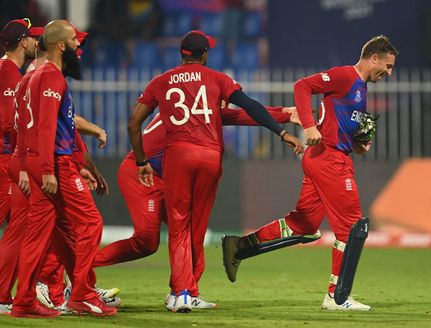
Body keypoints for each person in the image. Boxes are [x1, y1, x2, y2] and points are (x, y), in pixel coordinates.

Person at [128, 29, 304, 313]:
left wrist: (140, 160)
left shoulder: (160, 82)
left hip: (179, 156)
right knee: (196, 225)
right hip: (211, 157)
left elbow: (134, 123)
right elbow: (250, 107)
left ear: (181, 55)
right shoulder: (218, 80)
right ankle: (187, 290)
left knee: (178, 224)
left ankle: (182, 292)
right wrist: (282, 133)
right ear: (205, 55)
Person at [222, 35, 398, 311]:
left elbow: (338, 126)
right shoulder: (344, 76)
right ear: (373, 58)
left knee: (303, 224)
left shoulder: (361, 89)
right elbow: (302, 86)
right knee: (352, 227)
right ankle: (337, 297)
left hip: (324, 157)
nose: (388, 73)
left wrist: (358, 144)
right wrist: (308, 125)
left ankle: (239, 247)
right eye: (387, 66)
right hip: (329, 160)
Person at [93, 105, 299, 311]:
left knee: (191, 230)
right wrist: (287, 115)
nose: (226, 106)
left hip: (163, 179)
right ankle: (81, 265)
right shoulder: (193, 112)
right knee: (147, 242)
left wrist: (284, 111)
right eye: (224, 101)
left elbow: (244, 110)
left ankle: (185, 292)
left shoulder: (192, 107)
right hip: (142, 175)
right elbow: (244, 114)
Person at [10, 20, 116, 318]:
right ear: (60, 45)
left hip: (36, 159)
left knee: (38, 233)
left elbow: (24, 126)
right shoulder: (51, 77)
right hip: (54, 163)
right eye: (73, 40)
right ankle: (81, 294)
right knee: (91, 223)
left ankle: (24, 301)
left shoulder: (29, 78)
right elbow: (44, 126)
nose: (78, 45)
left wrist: (25, 164)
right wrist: (45, 169)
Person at [0, 18, 39, 228]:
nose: (36, 42)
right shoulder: (8, 72)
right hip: (4, 156)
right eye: (32, 37)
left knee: (19, 227)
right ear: (23, 42)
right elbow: (8, 122)